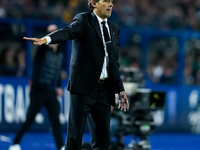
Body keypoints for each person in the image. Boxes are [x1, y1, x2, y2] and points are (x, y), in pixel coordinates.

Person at [23, 0, 129, 149]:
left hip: (105, 90)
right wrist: (47, 39)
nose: (111, 4)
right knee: (74, 138)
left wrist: (120, 89)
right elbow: (67, 32)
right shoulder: (84, 20)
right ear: (93, 3)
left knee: (103, 141)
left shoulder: (114, 29)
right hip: (84, 88)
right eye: (106, 1)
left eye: (111, 1)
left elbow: (113, 63)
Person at [9, 24, 65, 150]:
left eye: (54, 31)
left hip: (51, 91)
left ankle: (61, 146)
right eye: (50, 31)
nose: (52, 33)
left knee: (56, 121)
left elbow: (58, 72)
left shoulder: (60, 53)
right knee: (29, 119)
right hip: (38, 91)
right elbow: (37, 61)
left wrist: (59, 87)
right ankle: (15, 144)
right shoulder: (43, 50)